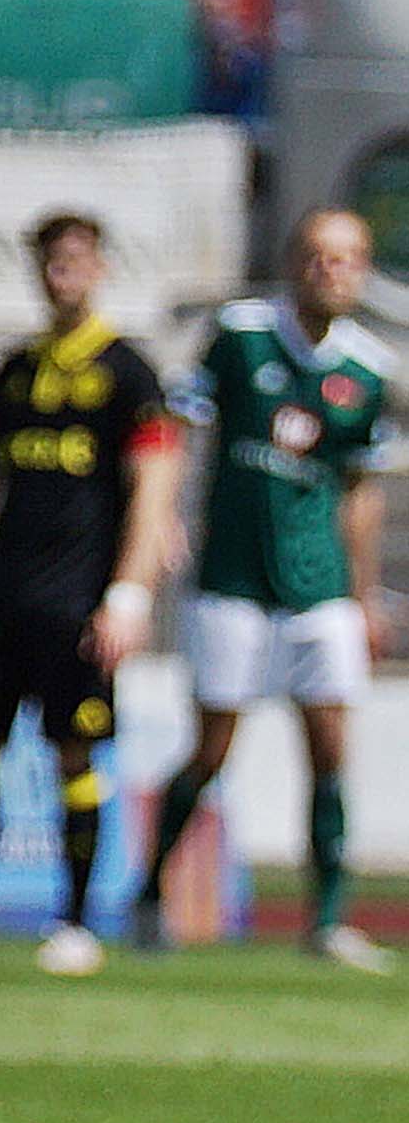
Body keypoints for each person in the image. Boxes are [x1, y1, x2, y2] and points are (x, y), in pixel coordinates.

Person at [0, 213, 175, 975]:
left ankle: (77, 921)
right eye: (52, 263)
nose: (62, 276)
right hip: (1, 593)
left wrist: (130, 592)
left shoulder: (130, 373)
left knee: (73, 753)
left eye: (76, 261)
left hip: (79, 599)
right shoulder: (13, 369)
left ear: (101, 268)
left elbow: (155, 487)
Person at [136, 208, 400, 972]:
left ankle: (328, 919)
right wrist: (162, 517)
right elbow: (179, 426)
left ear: (363, 270)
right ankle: (150, 895)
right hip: (232, 579)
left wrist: (365, 595)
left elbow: (359, 491)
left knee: (330, 747)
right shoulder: (242, 335)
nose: (331, 270)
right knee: (213, 749)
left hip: (320, 589)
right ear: (292, 261)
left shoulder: (368, 369)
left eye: (347, 258)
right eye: (318, 255)